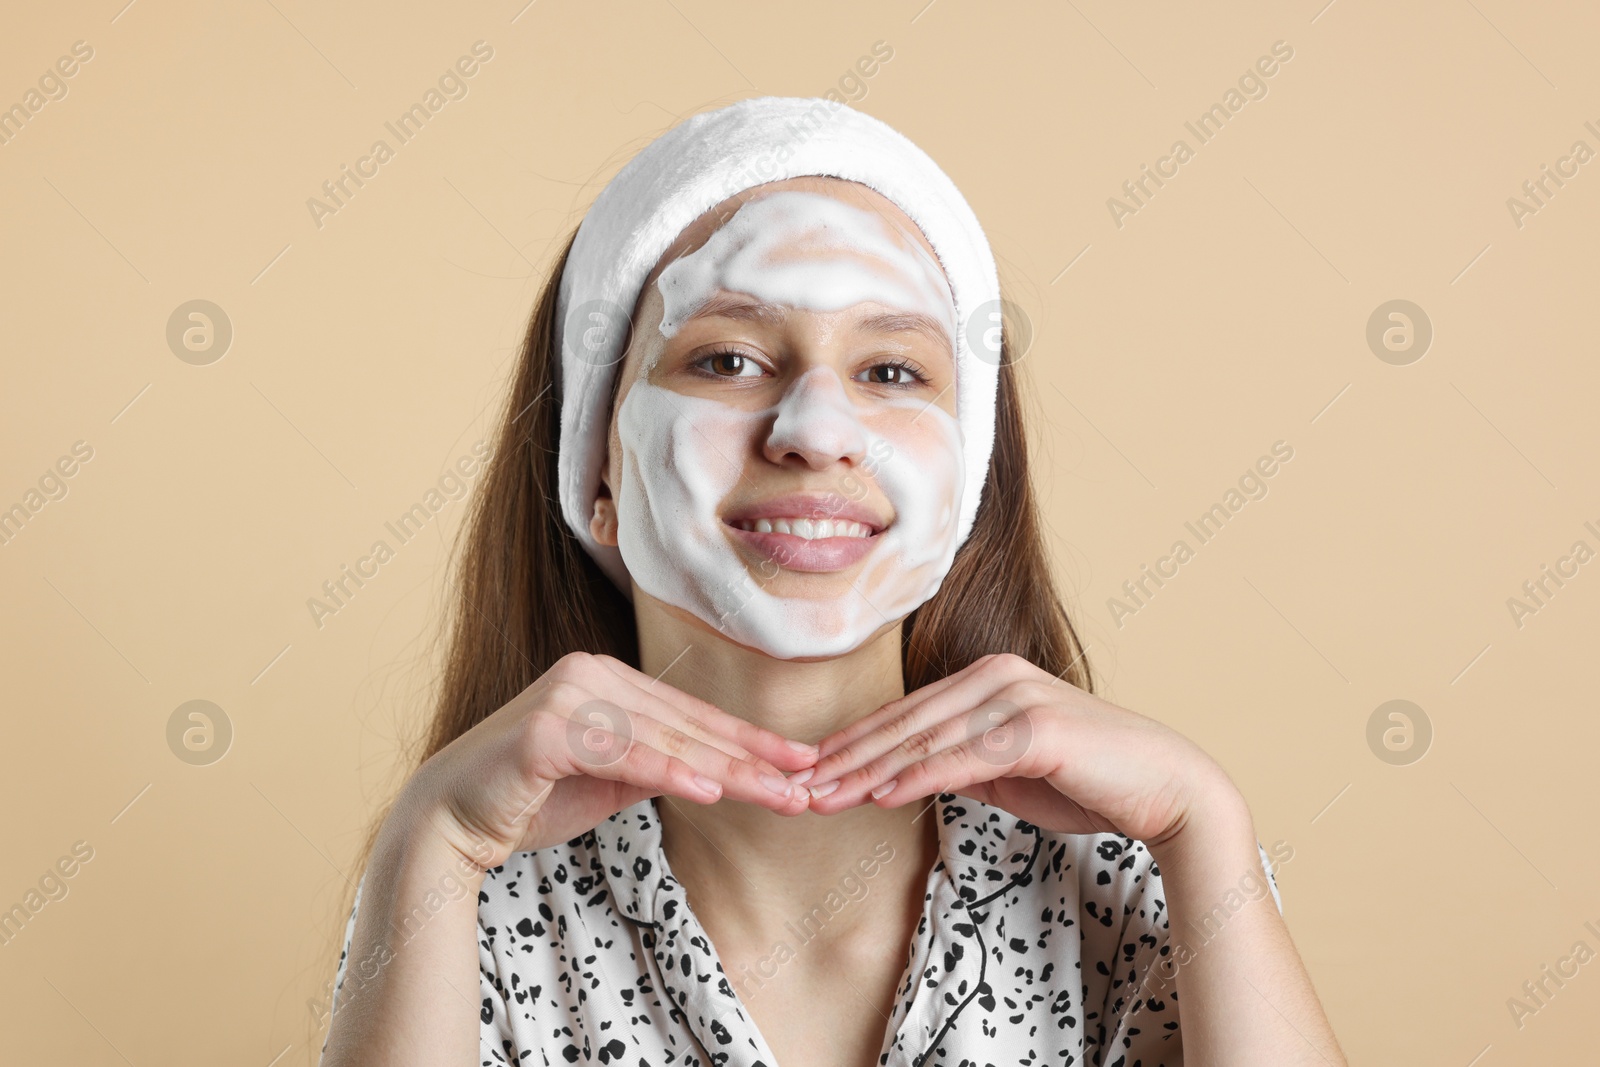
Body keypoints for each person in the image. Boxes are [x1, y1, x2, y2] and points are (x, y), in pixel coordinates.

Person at [316, 96, 1346, 1067]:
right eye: (725, 359)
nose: (813, 431)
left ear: (966, 478)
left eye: (891, 371)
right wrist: (431, 843)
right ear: (596, 472)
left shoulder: (1132, 881)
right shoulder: (462, 900)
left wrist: (1205, 823)